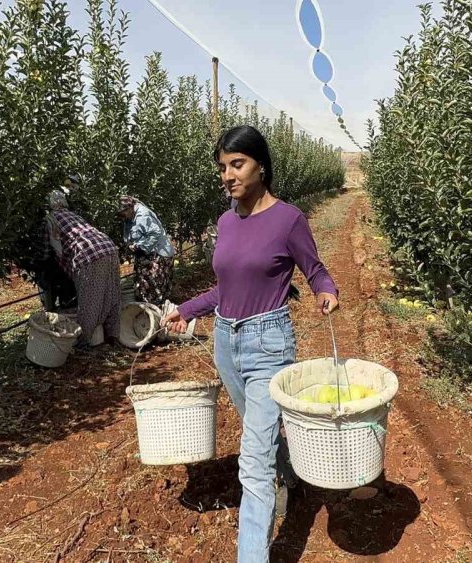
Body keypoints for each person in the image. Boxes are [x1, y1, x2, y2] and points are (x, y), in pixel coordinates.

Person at [163, 125, 339, 562]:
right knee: (258, 432)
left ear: (261, 166)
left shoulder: (288, 219)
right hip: (226, 341)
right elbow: (227, 287)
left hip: (268, 344)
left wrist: (326, 289)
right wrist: (188, 309)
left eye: (237, 164)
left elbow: (314, 269)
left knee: (252, 460)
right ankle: (288, 477)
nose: (228, 175)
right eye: (222, 167)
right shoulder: (225, 222)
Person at [45, 188, 121, 349]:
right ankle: (113, 336)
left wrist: (61, 266)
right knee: (111, 292)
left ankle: (83, 341)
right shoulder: (73, 215)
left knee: (89, 301)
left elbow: (57, 249)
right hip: (109, 247)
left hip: (89, 255)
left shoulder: (51, 219)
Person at [117, 195, 176, 304]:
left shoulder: (142, 215)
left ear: (130, 208)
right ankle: (148, 312)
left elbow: (155, 233)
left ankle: (157, 314)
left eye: (123, 213)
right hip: (145, 255)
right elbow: (128, 234)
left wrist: (141, 247)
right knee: (143, 288)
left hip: (158, 254)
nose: (122, 216)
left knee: (154, 288)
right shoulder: (129, 217)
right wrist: (130, 244)